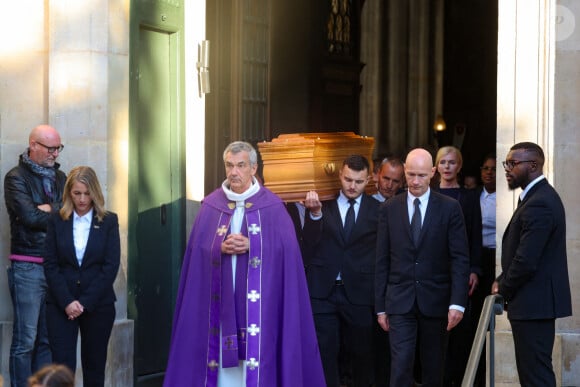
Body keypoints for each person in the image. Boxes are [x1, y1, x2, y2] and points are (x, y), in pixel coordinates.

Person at [163, 141, 325, 386]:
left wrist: (254, 246)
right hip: (219, 311)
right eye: (229, 165)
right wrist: (218, 248)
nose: (233, 172)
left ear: (253, 168)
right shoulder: (210, 206)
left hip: (261, 312)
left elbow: (289, 254)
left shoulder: (273, 207)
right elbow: (197, 254)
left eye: (240, 165)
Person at [375, 148, 470, 387]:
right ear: (405, 172)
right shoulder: (389, 208)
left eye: (421, 175)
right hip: (399, 300)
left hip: (436, 300)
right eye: (411, 174)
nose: (415, 181)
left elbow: (459, 258)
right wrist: (380, 307)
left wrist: (457, 302)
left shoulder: (449, 208)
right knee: (400, 367)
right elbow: (382, 259)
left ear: (433, 173)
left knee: (433, 368)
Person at [492, 142, 572, 387]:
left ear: (534, 166)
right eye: (507, 163)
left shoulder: (540, 202)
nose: (507, 169)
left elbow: (526, 260)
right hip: (532, 305)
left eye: (513, 163)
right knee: (533, 375)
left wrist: (501, 287)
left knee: (536, 377)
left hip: (534, 306)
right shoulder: (535, 197)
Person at [303, 154, 379, 387]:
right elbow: (307, 244)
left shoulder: (379, 210)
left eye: (358, 181)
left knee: (361, 356)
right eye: (347, 179)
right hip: (323, 291)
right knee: (324, 353)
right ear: (340, 176)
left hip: (360, 292)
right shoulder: (320, 204)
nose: (352, 186)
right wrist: (315, 215)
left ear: (368, 180)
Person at [43, 166, 120, 387]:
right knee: (61, 370)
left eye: (87, 193)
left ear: (95, 192)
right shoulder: (57, 220)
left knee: (94, 367)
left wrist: (84, 303)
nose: (83, 199)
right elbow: (50, 263)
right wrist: (67, 302)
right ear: (69, 193)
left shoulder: (108, 221)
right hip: (60, 304)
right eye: (77, 193)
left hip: (98, 305)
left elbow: (110, 266)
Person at [4, 125, 66, 387]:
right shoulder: (15, 177)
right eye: (50, 148)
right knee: (25, 341)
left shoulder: (62, 177)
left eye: (58, 148)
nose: (54, 154)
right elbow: (28, 217)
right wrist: (58, 210)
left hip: (55, 267)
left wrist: (48, 208)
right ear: (33, 145)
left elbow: (72, 212)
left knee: (46, 340)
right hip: (27, 267)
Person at [433, 146, 482, 386]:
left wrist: (474, 269)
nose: (447, 167)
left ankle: (458, 380)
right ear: (436, 166)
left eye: (452, 162)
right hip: (433, 272)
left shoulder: (470, 197)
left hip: (460, 269)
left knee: (459, 330)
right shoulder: (428, 193)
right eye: (442, 162)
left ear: (459, 166)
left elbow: (475, 235)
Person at [470, 153, 496, 386]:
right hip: (477, 258)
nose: (489, 172)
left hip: (495, 257)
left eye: (493, 169)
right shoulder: (473, 196)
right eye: (485, 168)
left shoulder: (506, 199)